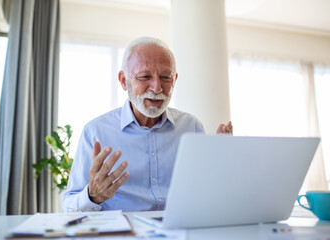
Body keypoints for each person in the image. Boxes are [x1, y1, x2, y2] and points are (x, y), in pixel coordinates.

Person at [62, 36, 232, 212]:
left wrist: (221, 167)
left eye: (166, 77)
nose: (157, 88)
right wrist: (92, 196)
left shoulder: (192, 127)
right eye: (145, 76)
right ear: (123, 81)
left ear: (175, 80)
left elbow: (206, 194)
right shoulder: (96, 132)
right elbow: (67, 206)